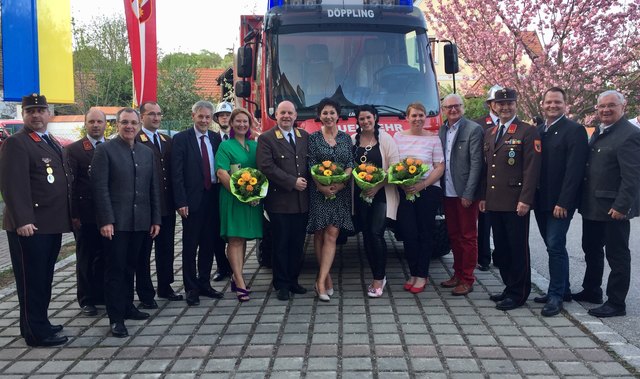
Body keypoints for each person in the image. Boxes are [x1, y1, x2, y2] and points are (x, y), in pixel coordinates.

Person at [0, 94, 71, 347]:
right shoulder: (17, 143)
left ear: (49, 114)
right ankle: (35, 333)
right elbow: (12, 186)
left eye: (41, 110)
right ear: (23, 114)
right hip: (29, 227)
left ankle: (39, 321)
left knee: (44, 277)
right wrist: (23, 220)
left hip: (50, 224)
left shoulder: (48, 140)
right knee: (32, 280)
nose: (36, 115)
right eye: (31, 111)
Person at [91, 108, 161, 338]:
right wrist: (106, 220)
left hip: (141, 222)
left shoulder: (146, 152)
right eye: (124, 123)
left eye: (133, 122)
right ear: (117, 125)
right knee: (115, 271)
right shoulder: (105, 151)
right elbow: (99, 189)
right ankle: (116, 318)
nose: (129, 126)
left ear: (140, 124)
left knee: (132, 267)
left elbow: (153, 189)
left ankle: (129, 306)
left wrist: (155, 219)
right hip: (116, 223)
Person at [576, 90, 640, 318]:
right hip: (593, 206)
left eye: (611, 105)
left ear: (623, 107)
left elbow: (632, 176)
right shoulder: (601, 131)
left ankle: (616, 302)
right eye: (601, 106)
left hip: (614, 209)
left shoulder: (629, 134)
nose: (605, 110)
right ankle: (592, 289)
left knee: (617, 255)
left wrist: (622, 206)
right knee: (591, 249)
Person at [479, 88, 541, 311]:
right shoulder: (490, 132)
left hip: (516, 202)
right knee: (502, 250)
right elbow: (487, 169)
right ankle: (509, 287)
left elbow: (532, 169)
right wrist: (483, 197)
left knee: (517, 250)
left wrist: (526, 199)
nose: (505, 107)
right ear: (493, 106)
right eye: (500, 103)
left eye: (509, 103)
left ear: (516, 104)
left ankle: (519, 293)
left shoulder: (527, 131)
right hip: (495, 201)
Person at [533, 87, 588, 317]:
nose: (552, 106)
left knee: (555, 245)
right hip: (540, 200)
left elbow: (574, 171)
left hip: (559, 203)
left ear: (566, 105)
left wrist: (564, 202)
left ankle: (555, 295)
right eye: (548, 102)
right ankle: (562, 288)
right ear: (542, 104)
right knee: (551, 245)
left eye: (557, 102)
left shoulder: (574, 130)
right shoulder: (539, 130)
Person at [172, 101, 225, 306]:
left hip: (213, 197)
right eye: (200, 116)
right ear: (193, 116)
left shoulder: (215, 138)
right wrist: (181, 201)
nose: (204, 120)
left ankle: (204, 283)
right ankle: (191, 288)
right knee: (190, 245)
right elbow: (176, 174)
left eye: (207, 117)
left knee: (208, 244)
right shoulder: (181, 139)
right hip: (192, 200)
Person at [257, 100, 310, 301]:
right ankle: (281, 284)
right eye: (282, 113)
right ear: (276, 116)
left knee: (297, 244)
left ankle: (294, 280)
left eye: (290, 113)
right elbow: (266, 167)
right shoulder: (267, 138)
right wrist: (292, 182)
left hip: (301, 202)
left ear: (296, 116)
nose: (286, 116)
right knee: (280, 244)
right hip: (279, 202)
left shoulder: (303, 136)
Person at [135, 101, 183, 309]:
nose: (156, 118)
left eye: (159, 114)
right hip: (145, 206)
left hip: (166, 204)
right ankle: (145, 292)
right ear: (141, 117)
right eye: (151, 114)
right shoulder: (136, 140)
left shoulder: (167, 140)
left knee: (166, 248)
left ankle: (166, 285)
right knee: (143, 252)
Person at [393, 102, 444, 294]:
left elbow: (439, 166)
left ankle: (422, 274)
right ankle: (413, 272)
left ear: (425, 117)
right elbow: (394, 163)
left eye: (421, 115)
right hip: (406, 190)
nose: (418, 119)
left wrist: (422, 185)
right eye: (414, 115)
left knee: (425, 233)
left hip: (428, 190)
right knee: (409, 234)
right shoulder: (398, 137)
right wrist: (403, 184)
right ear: (407, 117)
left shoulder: (433, 139)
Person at [307, 98, 354, 301]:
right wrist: (321, 186)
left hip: (340, 192)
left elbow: (350, 163)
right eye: (324, 113)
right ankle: (326, 280)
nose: (328, 116)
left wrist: (342, 183)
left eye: (332, 113)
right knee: (319, 233)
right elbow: (311, 164)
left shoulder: (346, 139)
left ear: (338, 115)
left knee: (332, 233)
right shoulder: (313, 138)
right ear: (319, 115)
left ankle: (320, 280)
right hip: (319, 191)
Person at [215, 108, 263, 302]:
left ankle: (237, 275)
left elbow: (262, 171)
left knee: (243, 238)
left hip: (253, 200)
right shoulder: (226, 146)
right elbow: (221, 173)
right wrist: (242, 194)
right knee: (235, 239)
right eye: (238, 121)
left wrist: (258, 194)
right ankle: (240, 281)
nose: (242, 124)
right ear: (232, 124)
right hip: (233, 199)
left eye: (245, 121)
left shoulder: (254, 145)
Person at [351, 105, 399, 298]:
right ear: (358, 121)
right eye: (362, 119)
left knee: (376, 233)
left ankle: (379, 278)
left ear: (376, 118)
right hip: (360, 196)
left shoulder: (386, 139)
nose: (365, 121)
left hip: (381, 194)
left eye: (368, 118)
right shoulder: (353, 140)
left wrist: (377, 186)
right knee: (366, 236)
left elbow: (395, 168)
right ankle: (375, 274)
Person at [438, 94, 483, 296]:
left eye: (456, 106)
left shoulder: (473, 129)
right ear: (444, 109)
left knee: (468, 237)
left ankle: (467, 278)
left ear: (462, 108)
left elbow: (476, 164)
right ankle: (457, 274)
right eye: (449, 107)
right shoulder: (442, 129)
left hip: (464, 193)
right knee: (454, 235)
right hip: (447, 191)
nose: (453, 110)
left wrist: (469, 192)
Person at [66, 108, 107, 317]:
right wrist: (74, 214)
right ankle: (86, 299)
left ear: (105, 124)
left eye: (99, 121)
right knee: (85, 257)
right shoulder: (74, 150)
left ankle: (101, 294)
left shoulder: (110, 147)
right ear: (85, 124)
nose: (96, 125)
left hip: (107, 214)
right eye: (91, 122)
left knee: (103, 256)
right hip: (85, 213)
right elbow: (70, 185)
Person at [474, 85, 502, 271]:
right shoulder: (478, 125)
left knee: (502, 223)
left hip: (504, 182)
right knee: (484, 223)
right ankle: (483, 259)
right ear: (490, 104)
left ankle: (500, 258)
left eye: (505, 103)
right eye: (497, 102)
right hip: (483, 180)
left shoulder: (514, 125)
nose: (501, 106)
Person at [211, 101, 234, 282]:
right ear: (217, 119)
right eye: (221, 115)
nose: (224, 118)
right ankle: (222, 266)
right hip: (215, 189)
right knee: (216, 230)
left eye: (227, 115)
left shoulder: (239, 137)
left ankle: (236, 266)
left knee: (234, 230)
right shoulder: (211, 138)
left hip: (236, 189)